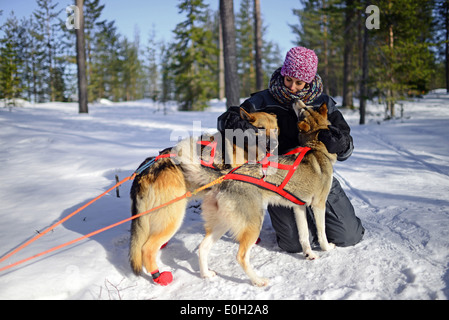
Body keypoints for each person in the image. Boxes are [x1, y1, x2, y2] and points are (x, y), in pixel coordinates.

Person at [217, 46, 364, 253]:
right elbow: (226, 120)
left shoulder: (323, 104)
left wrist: (340, 144)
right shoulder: (263, 100)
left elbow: (347, 146)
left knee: (349, 236)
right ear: (283, 74)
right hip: (279, 177)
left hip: (317, 174)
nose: (292, 87)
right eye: (288, 80)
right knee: (294, 244)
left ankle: (319, 215)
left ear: (309, 81)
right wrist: (233, 123)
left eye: (299, 82)